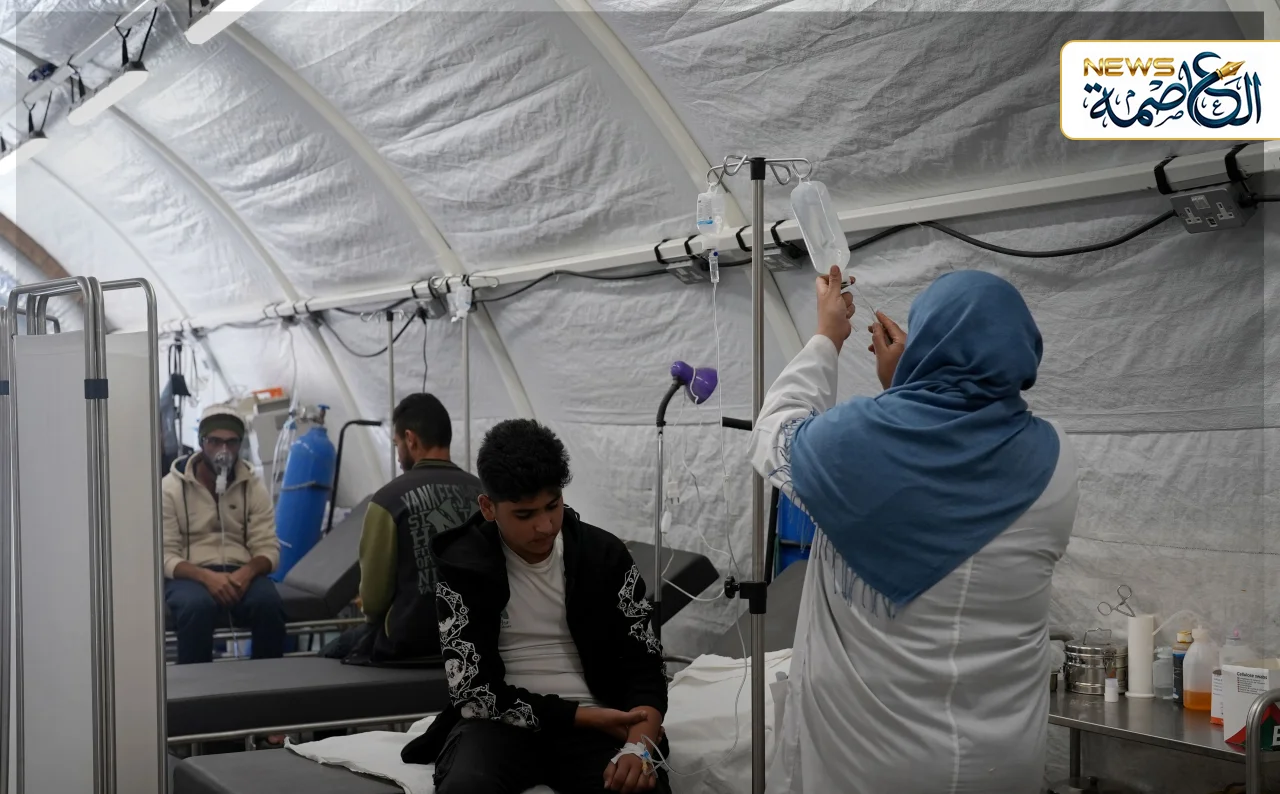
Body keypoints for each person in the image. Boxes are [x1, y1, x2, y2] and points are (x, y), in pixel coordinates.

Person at [751, 267, 1079, 794]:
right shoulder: (1056, 458)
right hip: (1002, 763)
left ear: (929, 344)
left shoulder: (854, 445)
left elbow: (776, 431)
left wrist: (827, 337)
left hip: (869, 765)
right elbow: (949, 471)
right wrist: (908, 388)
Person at [401, 419, 670, 794]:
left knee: (639, 789)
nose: (544, 526)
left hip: (599, 721)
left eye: (553, 505)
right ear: (488, 507)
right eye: (524, 515)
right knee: (467, 788)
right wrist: (584, 717)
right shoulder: (464, 568)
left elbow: (646, 667)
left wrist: (637, 748)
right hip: (499, 727)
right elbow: (474, 694)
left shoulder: (605, 556)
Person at [355, 393, 484, 664]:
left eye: (397, 444)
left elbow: (374, 602)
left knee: (332, 651)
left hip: (409, 646)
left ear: (410, 439)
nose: (398, 455)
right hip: (477, 641)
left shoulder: (387, 500)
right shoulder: (485, 494)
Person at [162, 404, 286, 665]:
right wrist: (207, 577)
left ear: (240, 444)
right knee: (196, 608)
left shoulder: (253, 486)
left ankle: (269, 683)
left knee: (269, 605)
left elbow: (268, 548)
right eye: (215, 441)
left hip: (240, 571)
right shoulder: (170, 489)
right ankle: (196, 687)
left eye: (231, 442)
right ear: (201, 442)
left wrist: (246, 573)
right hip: (190, 574)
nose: (223, 450)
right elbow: (164, 555)